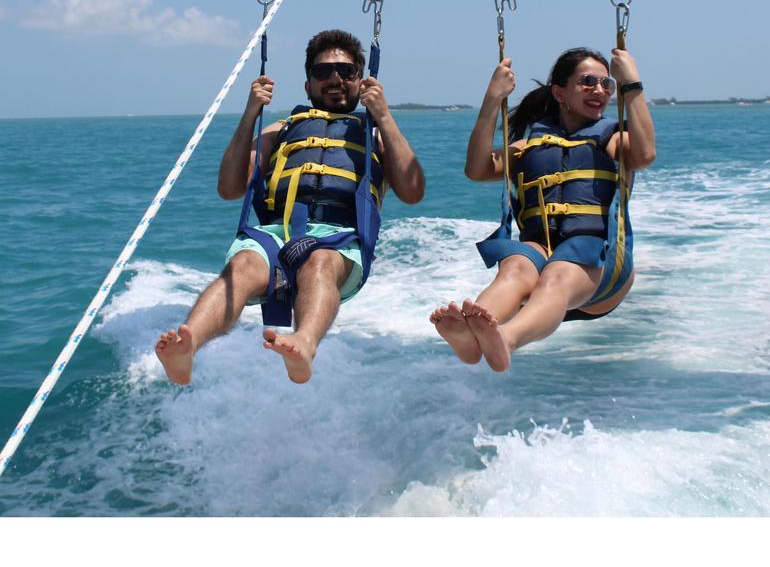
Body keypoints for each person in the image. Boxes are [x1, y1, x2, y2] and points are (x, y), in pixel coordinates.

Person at [156, 29, 425, 385]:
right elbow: (229, 188)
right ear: (308, 84)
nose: (335, 79)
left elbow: (413, 190)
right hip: (275, 232)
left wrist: (385, 116)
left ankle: (304, 343)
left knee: (319, 263)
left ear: (361, 81)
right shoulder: (281, 129)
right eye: (323, 71)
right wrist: (251, 113)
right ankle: (187, 347)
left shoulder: (374, 134)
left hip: (338, 238)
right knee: (243, 265)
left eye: (347, 72)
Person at [430, 46, 655, 372]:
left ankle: (506, 340)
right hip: (542, 249)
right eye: (588, 81)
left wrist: (632, 85)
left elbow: (645, 155)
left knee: (557, 273)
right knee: (516, 267)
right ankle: (471, 334)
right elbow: (477, 169)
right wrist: (492, 98)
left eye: (607, 84)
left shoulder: (613, 139)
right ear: (559, 92)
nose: (600, 90)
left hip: (601, 265)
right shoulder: (530, 144)